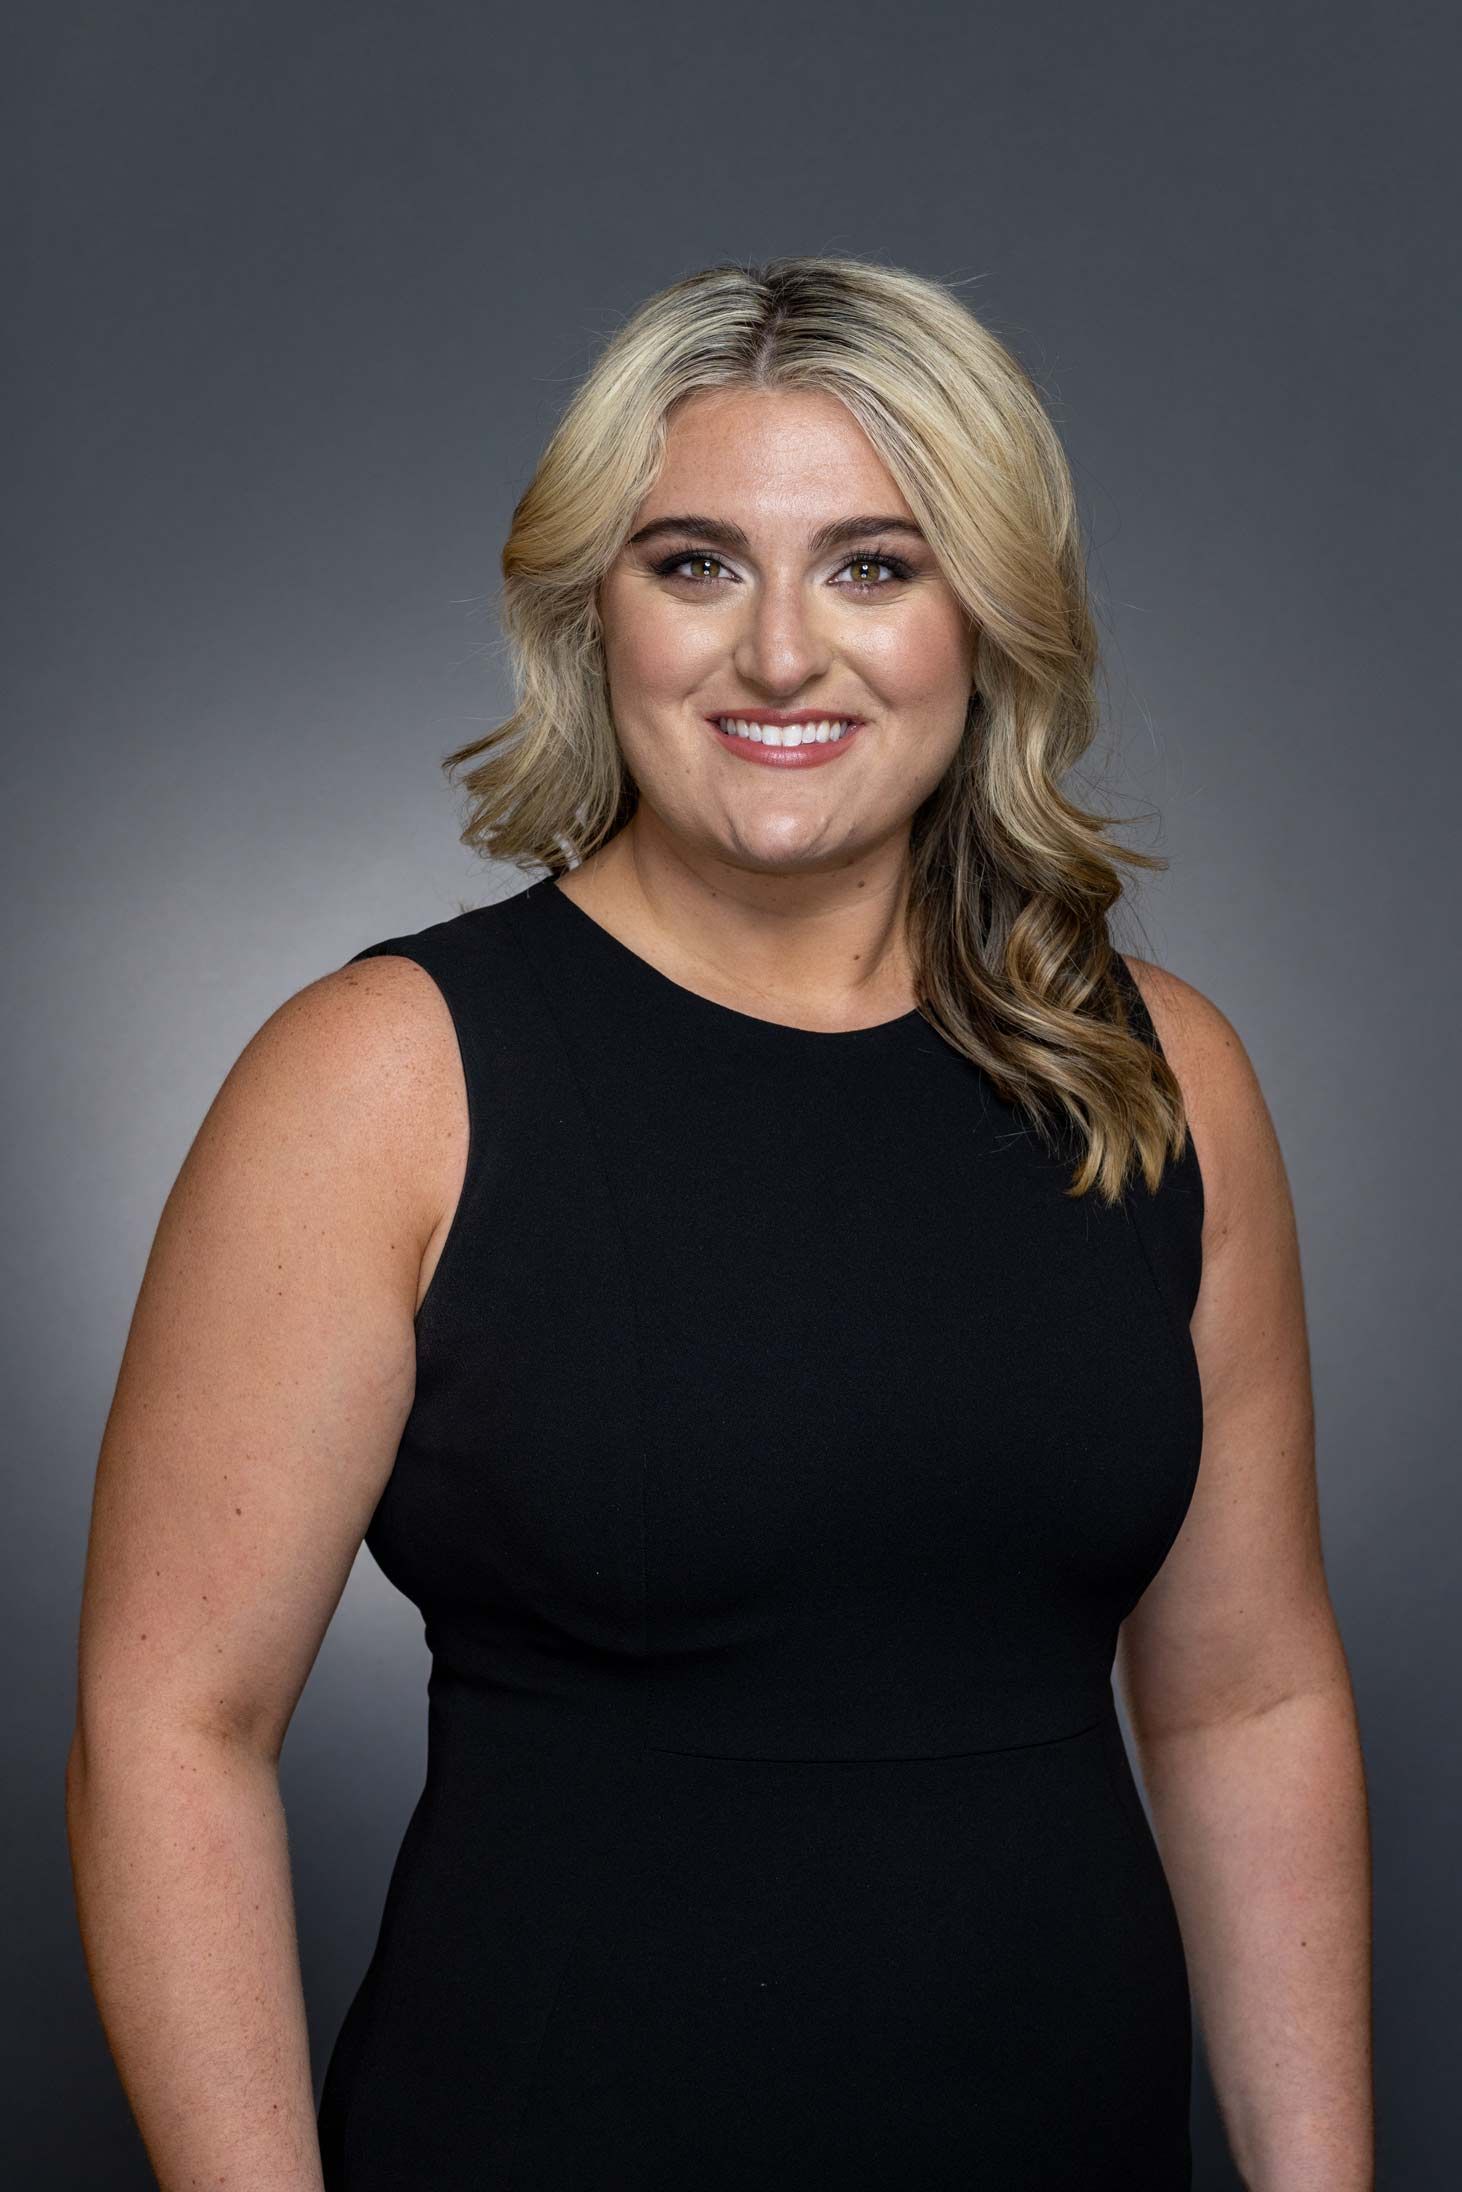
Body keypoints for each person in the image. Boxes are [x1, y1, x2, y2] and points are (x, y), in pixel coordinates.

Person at [65, 254, 1373, 2190]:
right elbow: (165, 1725)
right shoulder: (379, 1080)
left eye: (870, 564)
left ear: (985, 613)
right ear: (591, 613)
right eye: (692, 563)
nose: (777, 654)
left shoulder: (1156, 1081)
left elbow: (1244, 1696)